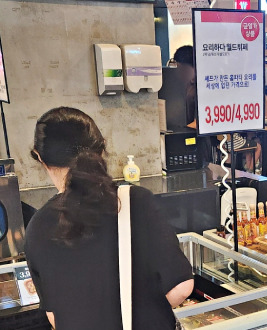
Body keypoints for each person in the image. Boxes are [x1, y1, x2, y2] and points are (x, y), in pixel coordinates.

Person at [25, 107, 194, 329]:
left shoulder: (37, 227)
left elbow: (55, 318)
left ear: (39, 156)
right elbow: (181, 288)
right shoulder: (134, 201)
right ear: (101, 147)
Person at [173, 45, 212, 165]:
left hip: (198, 141)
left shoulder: (202, 85)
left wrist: (177, 133)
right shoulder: (184, 84)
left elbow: (200, 121)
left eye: (178, 66)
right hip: (185, 138)